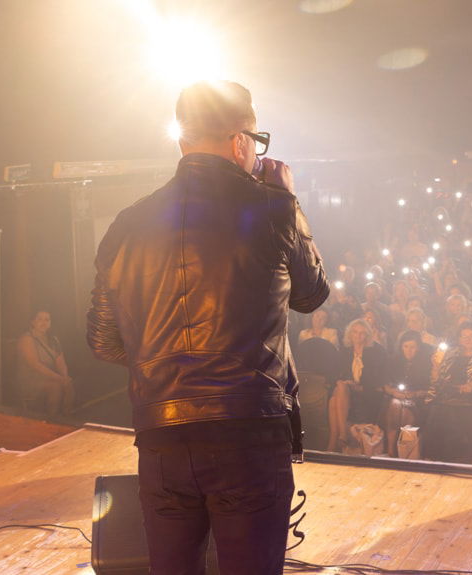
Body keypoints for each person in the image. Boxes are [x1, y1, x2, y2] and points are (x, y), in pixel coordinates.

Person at [87, 81, 329, 575]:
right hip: (249, 434)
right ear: (242, 142)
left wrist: (165, 354)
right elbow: (312, 294)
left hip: (161, 440)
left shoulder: (126, 224)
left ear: (182, 140)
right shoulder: (272, 207)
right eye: (257, 142)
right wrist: (288, 198)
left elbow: (103, 340)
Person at [423, 321, 472, 463]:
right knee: (438, 411)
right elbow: (437, 382)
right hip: (448, 395)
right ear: (459, 339)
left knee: (461, 415)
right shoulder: (450, 355)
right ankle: (435, 459)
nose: (468, 339)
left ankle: (470, 459)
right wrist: (436, 367)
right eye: (464, 336)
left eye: (471, 336)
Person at [327, 318, 389, 452]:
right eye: (355, 332)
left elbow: (379, 381)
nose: (358, 336)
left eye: (362, 333)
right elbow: (334, 374)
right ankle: (340, 437)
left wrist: (359, 387)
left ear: (367, 335)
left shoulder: (376, 352)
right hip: (347, 392)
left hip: (367, 393)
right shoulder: (345, 351)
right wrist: (341, 381)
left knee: (334, 400)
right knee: (340, 388)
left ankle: (335, 442)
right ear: (350, 334)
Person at [384, 330, 432, 456]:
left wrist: (414, 394)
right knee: (395, 405)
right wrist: (393, 392)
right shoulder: (394, 361)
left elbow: (430, 389)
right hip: (396, 397)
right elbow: (384, 384)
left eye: (412, 347)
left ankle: (405, 452)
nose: (409, 350)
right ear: (401, 346)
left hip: (417, 401)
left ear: (418, 348)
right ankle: (390, 450)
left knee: (406, 412)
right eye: (405, 346)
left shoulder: (426, 364)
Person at [16, 310, 73, 416]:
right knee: (55, 387)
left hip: (51, 377)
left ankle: (66, 419)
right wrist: (59, 379)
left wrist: (64, 377)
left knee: (68, 384)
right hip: (31, 380)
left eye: (47, 319)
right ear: (32, 322)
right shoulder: (27, 339)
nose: (44, 322)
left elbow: (61, 362)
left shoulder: (53, 340)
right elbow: (35, 364)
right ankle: (52, 420)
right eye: (40, 319)